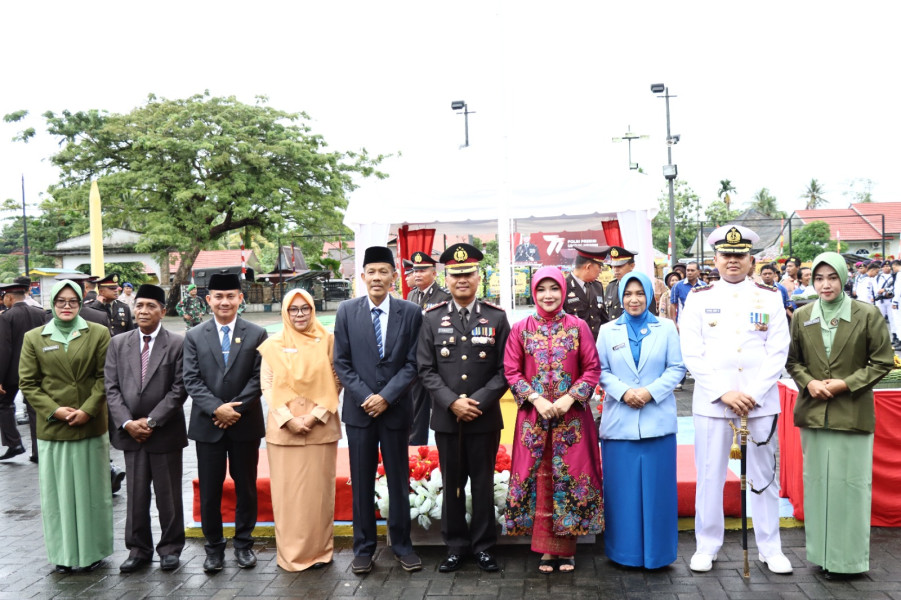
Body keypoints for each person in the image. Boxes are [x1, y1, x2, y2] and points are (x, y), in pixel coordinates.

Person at [679, 225, 793, 575]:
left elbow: (778, 350)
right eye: (726, 255)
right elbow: (691, 352)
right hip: (714, 403)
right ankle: (707, 544)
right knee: (710, 474)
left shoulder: (770, 296)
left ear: (751, 260)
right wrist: (724, 392)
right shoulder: (699, 298)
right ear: (715, 258)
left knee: (763, 476)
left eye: (739, 255)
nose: (733, 261)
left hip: (759, 403)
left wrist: (754, 393)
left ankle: (770, 547)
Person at [786, 252, 893, 580]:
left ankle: (848, 561)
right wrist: (810, 383)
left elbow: (882, 361)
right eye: (819, 278)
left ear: (844, 277)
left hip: (851, 413)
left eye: (832, 277)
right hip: (814, 414)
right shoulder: (802, 315)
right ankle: (821, 555)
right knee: (817, 486)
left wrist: (845, 384)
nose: (825, 284)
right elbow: (794, 363)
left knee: (850, 487)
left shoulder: (866, 314)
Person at [417, 243, 510, 573]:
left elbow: (506, 370)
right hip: (447, 417)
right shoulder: (431, 319)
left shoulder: (497, 316)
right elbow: (425, 369)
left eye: (468, 273)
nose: (462, 280)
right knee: (452, 483)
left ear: (478, 275)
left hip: (484, 419)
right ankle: (455, 546)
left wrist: (480, 401)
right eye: (455, 275)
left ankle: (484, 546)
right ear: (447, 276)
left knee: (483, 484)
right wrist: (452, 401)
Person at [504, 266, 603, 574]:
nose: (549, 295)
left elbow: (592, 368)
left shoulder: (578, 327)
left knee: (571, 476)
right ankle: (547, 550)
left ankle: (567, 548)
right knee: (541, 476)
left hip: (571, 419)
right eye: (542, 289)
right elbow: (511, 371)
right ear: (534, 292)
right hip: (534, 418)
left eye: (554, 289)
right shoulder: (520, 329)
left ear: (563, 291)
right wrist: (537, 399)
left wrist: (568, 398)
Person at [333, 246, 423, 575]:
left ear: (393, 277)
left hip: (396, 410)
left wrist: (386, 396)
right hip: (360, 413)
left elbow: (414, 362)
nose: (376, 277)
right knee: (361, 481)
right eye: (371, 271)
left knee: (399, 480)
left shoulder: (410, 313)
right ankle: (364, 548)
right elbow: (341, 362)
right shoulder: (346, 311)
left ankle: (401, 545)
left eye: (383, 271)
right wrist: (365, 396)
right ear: (362, 276)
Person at [18, 279, 113, 574]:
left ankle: (93, 551)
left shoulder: (97, 333)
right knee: (57, 495)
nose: (67, 306)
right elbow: (29, 384)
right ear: (52, 304)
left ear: (81, 302)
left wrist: (87, 410)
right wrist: (55, 411)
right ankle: (62, 553)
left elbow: (104, 377)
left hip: (90, 423)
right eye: (61, 301)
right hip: (53, 428)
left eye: (73, 301)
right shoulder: (34, 337)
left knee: (92, 492)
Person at [597, 271, 685, 569]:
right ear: (620, 297)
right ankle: (624, 552)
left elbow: (676, 368)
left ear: (650, 295)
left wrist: (649, 392)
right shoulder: (608, 331)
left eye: (639, 293)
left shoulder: (667, 328)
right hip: (619, 423)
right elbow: (600, 370)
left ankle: (658, 554)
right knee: (622, 494)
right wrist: (624, 393)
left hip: (657, 421)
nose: (633, 300)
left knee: (658, 493)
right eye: (627, 294)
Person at [183, 272, 268, 573]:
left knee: (246, 487)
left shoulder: (257, 334)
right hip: (209, 426)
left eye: (231, 295)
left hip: (244, 425)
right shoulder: (194, 336)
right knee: (210, 490)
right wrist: (217, 409)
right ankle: (214, 548)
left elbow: (259, 378)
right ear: (208, 300)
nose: (225, 301)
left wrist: (235, 410)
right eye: (218, 296)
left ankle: (244, 544)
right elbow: (191, 379)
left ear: (240, 299)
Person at [105, 284, 188, 573]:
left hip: (164, 431)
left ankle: (170, 548)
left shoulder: (177, 343)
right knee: (136, 495)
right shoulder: (118, 343)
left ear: (163, 311)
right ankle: (138, 550)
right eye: (139, 305)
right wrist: (128, 422)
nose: (143, 311)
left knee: (168, 495)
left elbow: (179, 389)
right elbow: (111, 388)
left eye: (151, 306)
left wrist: (151, 421)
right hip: (131, 434)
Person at [258, 288, 342, 571]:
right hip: (284, 433)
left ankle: (321, 551)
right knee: (289, 497)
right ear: (285, 312)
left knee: (319, 496)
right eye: (293, 309)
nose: (300, 314)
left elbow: (336, 380)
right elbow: (267, 385)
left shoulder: (327, 340)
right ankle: (290, 555)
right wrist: (288, 419)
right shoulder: (272, 344)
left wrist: (315, 416)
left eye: (304, 308)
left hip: (321, 429)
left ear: (313, 310)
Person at [406, 251, 452, 445]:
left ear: (434, 273)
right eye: (415, 270)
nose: (417, 274)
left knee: (441, 403)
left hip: (438, 359)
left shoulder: (444, 296)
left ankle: (444, 445)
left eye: (422, 270)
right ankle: (417, 447)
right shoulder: (411, 295)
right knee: (417, 406)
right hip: (416, 358)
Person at [0, 281, 49, 462]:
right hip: (37, 370)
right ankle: (39, 450)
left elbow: (4, 349)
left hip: (14, 372)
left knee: (4, 404)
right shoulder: (41, 313)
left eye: (4, 297)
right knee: (35, 409)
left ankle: (14, 443)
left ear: (10, 297)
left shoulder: (7, 317)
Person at [564, 245, 608, 341]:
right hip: (575, 347)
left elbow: (604, 319)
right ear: (588, 267)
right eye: (599, 267)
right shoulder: (563, 287)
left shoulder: (597, 286)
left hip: (596, 346)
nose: (600, 271)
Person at [604, 246, 657, 319]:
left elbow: (651, 314)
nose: (615, 270)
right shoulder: (610, 287)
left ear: (632, 266)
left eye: (619, 266)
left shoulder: (642, 285)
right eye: (613, 266)